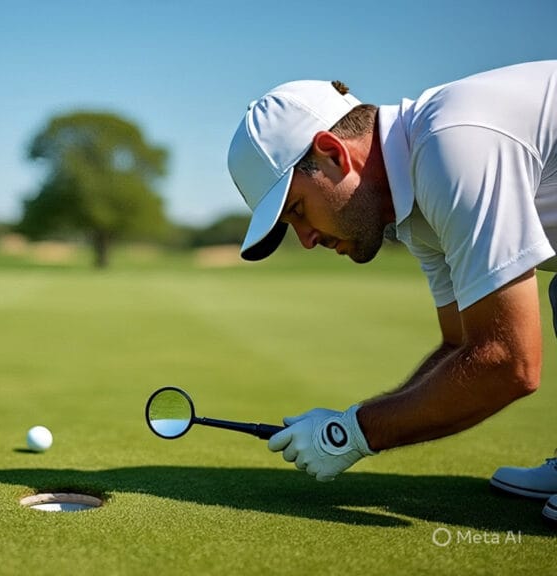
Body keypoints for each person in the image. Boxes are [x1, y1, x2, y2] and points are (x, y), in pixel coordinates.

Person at [226, 60, 557, 525]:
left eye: (298, 210)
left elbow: (508, 363)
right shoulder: (413, 212)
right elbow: (461, 344)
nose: (306, 239)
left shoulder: (451, 145)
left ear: (332, 153)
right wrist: (353, 419)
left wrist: (353, 433)